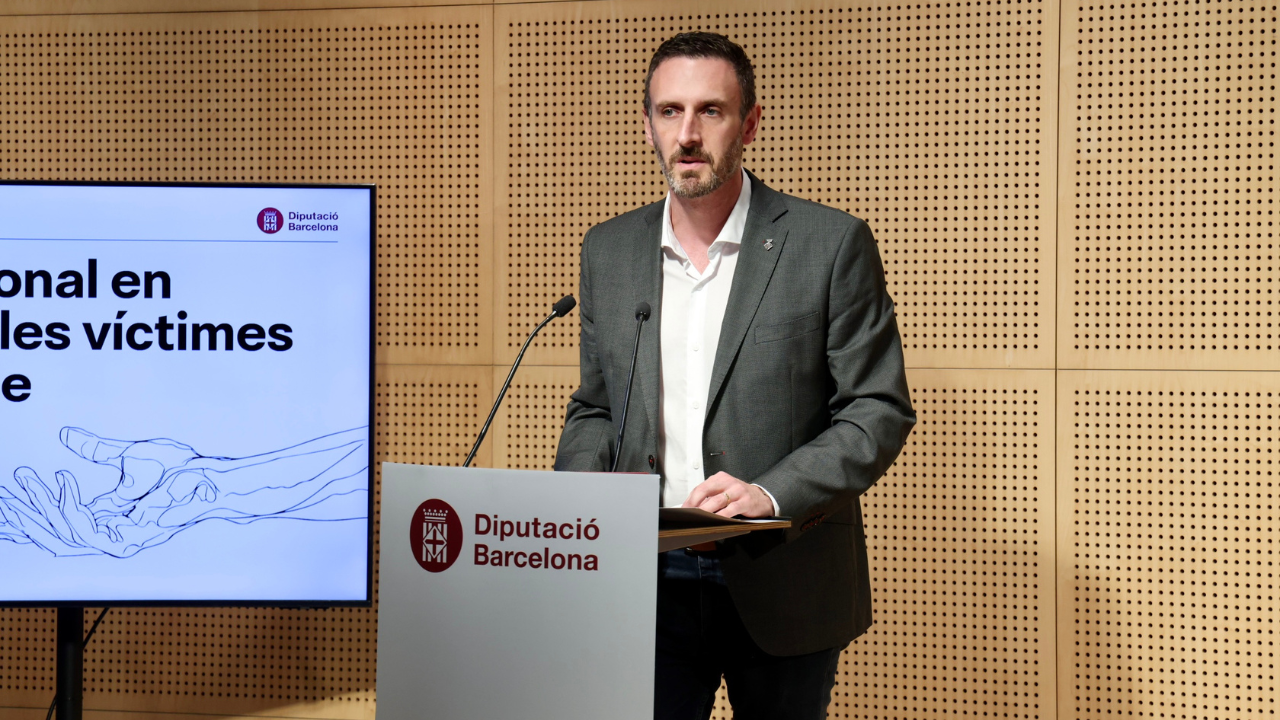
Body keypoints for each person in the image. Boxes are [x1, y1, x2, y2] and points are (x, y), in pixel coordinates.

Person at [554, 31, 915, 720]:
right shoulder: (608, 250)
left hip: (784, 574)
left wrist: (769, 494)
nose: (687, 134)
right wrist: (577, 505)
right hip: (644, 578)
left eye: (710, 111)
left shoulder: (829, 244)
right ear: (648, 124)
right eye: (669, 111)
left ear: (749, 124)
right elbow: (596, 409)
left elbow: (876, 410)